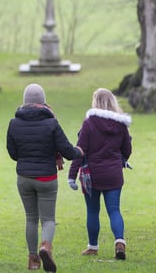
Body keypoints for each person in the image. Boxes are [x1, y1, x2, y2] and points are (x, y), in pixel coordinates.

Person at [7, 83, 84, 272]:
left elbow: (12, 152)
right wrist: (79, 152)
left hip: (24, 177)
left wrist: (25, 158)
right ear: (43, 102)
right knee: (48, 219)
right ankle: (45, 246)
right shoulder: (51, 123)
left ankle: (33, 259)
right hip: (46, 179)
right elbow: (66, 150)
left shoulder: (14, 123)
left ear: (24, 102)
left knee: (31, 218)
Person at [67, 88, 132, 260]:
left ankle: (93, 247)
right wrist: (121, 160)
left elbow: (80, 151)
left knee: (93, 211)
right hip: (114, 175)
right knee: (114, 210)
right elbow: (127, 148)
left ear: (95, 102)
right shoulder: (121, 124)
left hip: (92, 176)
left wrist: (71, 175)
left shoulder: (89, 123)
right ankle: (119, 242)